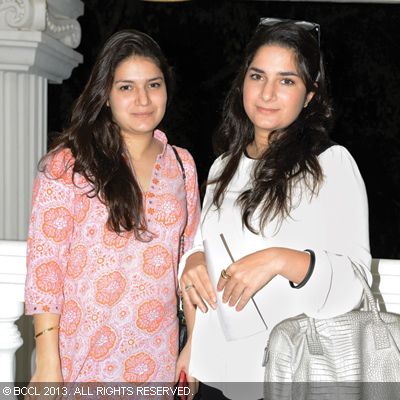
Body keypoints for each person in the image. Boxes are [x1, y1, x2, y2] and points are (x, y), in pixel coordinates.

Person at [176, 19, 371, 400]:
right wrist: (194, 262)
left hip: (287, 375)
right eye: (257, 76)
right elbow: (202, 253)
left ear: (310, 95)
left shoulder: (331, 164)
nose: (267, 93)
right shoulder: (222, 166)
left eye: (286, 80)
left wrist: (279, 260)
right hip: (213, 374)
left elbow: (354, 282)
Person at [24, 29, 200, 383]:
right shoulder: (69, 165)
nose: (143, 99)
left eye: (153, 84)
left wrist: (194, 345)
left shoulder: (182, 165)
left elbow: (188, 263)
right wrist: (47, 362)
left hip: (157, 359)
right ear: (105, 95)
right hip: (81, 358)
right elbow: (46, 268)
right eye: (126, 87)